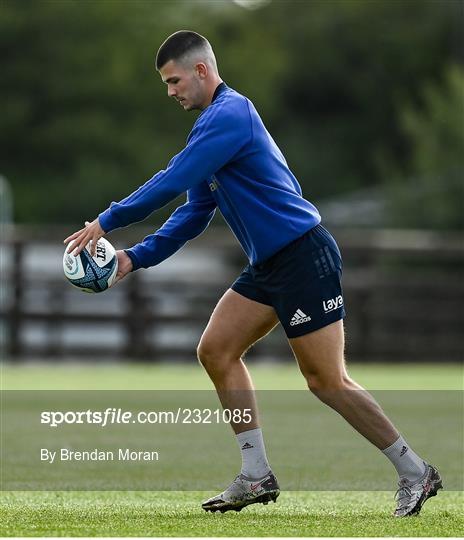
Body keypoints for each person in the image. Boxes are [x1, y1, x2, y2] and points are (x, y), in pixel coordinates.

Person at [64, 30, 442, 517]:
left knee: (326, 381)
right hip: (269, 265)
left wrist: (107, 220)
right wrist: (133, 257)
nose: (171, 92)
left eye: (174, 80)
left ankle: (416, 472)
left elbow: (173, 178)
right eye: (166, 84)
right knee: (216, 350)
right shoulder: (207, 131)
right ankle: (255, 474)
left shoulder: (231, 114)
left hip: (304, 256)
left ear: (202, 71)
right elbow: (194, 210)